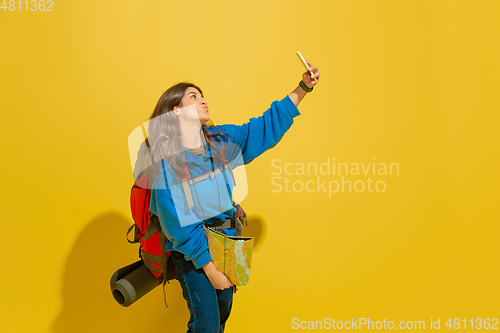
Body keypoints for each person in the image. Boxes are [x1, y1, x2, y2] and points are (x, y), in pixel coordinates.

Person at [136, 62, 320, 333]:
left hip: (226, 242)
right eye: (193, 96)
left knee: (221, 320)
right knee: (207, 326)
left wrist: (302, 88)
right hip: (193, 250)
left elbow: (262, 128)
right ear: (175, 110)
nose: (203, 99)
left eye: (202, 95)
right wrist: (209, 268)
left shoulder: (219, 140)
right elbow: (176, 222)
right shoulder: (164, 159)